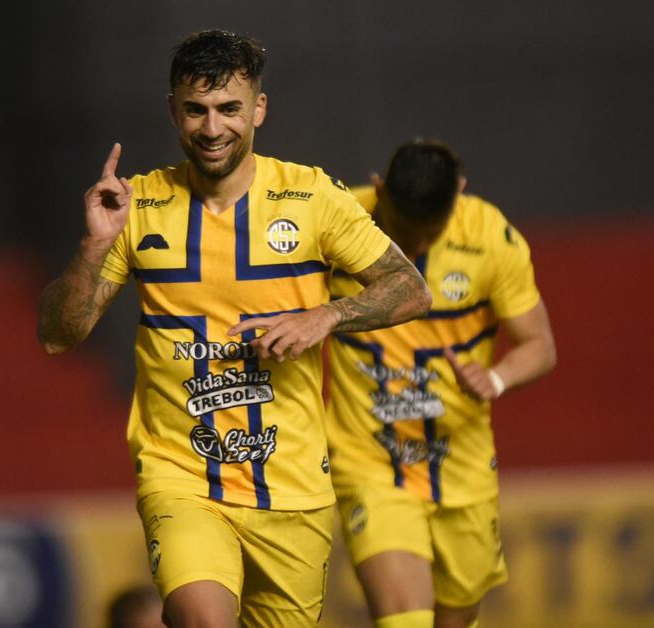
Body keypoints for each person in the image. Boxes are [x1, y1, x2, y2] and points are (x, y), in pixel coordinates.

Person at [37, 30, 431, 628]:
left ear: (259, 111)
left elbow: (410, 289)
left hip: (294, 490)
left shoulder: (312, 198)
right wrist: (94, 247)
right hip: (183, 479)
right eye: (195, 110)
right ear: (173, 110)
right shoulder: (136, 207)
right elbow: (58, 333)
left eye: (229, 109)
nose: (212, 127)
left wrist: (325, 316)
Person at [326, 140, 557, 628]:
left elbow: (540, 345)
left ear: (461, 194)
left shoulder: (490, 237)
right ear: (380, 190)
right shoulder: (337, 218)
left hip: (464, 467)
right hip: (370, 462)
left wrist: (496, 377)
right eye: (403, 235)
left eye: (429, 237)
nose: (415, 251)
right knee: (404, 620)